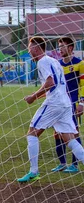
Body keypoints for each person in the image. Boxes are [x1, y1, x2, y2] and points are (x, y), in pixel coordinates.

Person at [17, 37, 84, 183]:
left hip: (55, 103)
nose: (29, 51)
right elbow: (58, 84)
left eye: (29, 48)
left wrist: (34, 97)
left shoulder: (42, 61)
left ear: (35, 48)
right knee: (69, 138)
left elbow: (50, 82)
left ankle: (33, 171)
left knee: (32, 133)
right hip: (64, 102)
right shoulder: (54, 60)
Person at [50, 37, 84, 174]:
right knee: (58, 133)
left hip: (73, 103)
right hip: (59, 104)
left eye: (62, 46)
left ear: (70, 48)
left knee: (74, 133)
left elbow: (83, 85)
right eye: (59, 47)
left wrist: (81, 102)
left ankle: (75, 165)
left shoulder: (80, 64)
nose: (60, 49)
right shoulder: (57, 64)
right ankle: (62, 163)